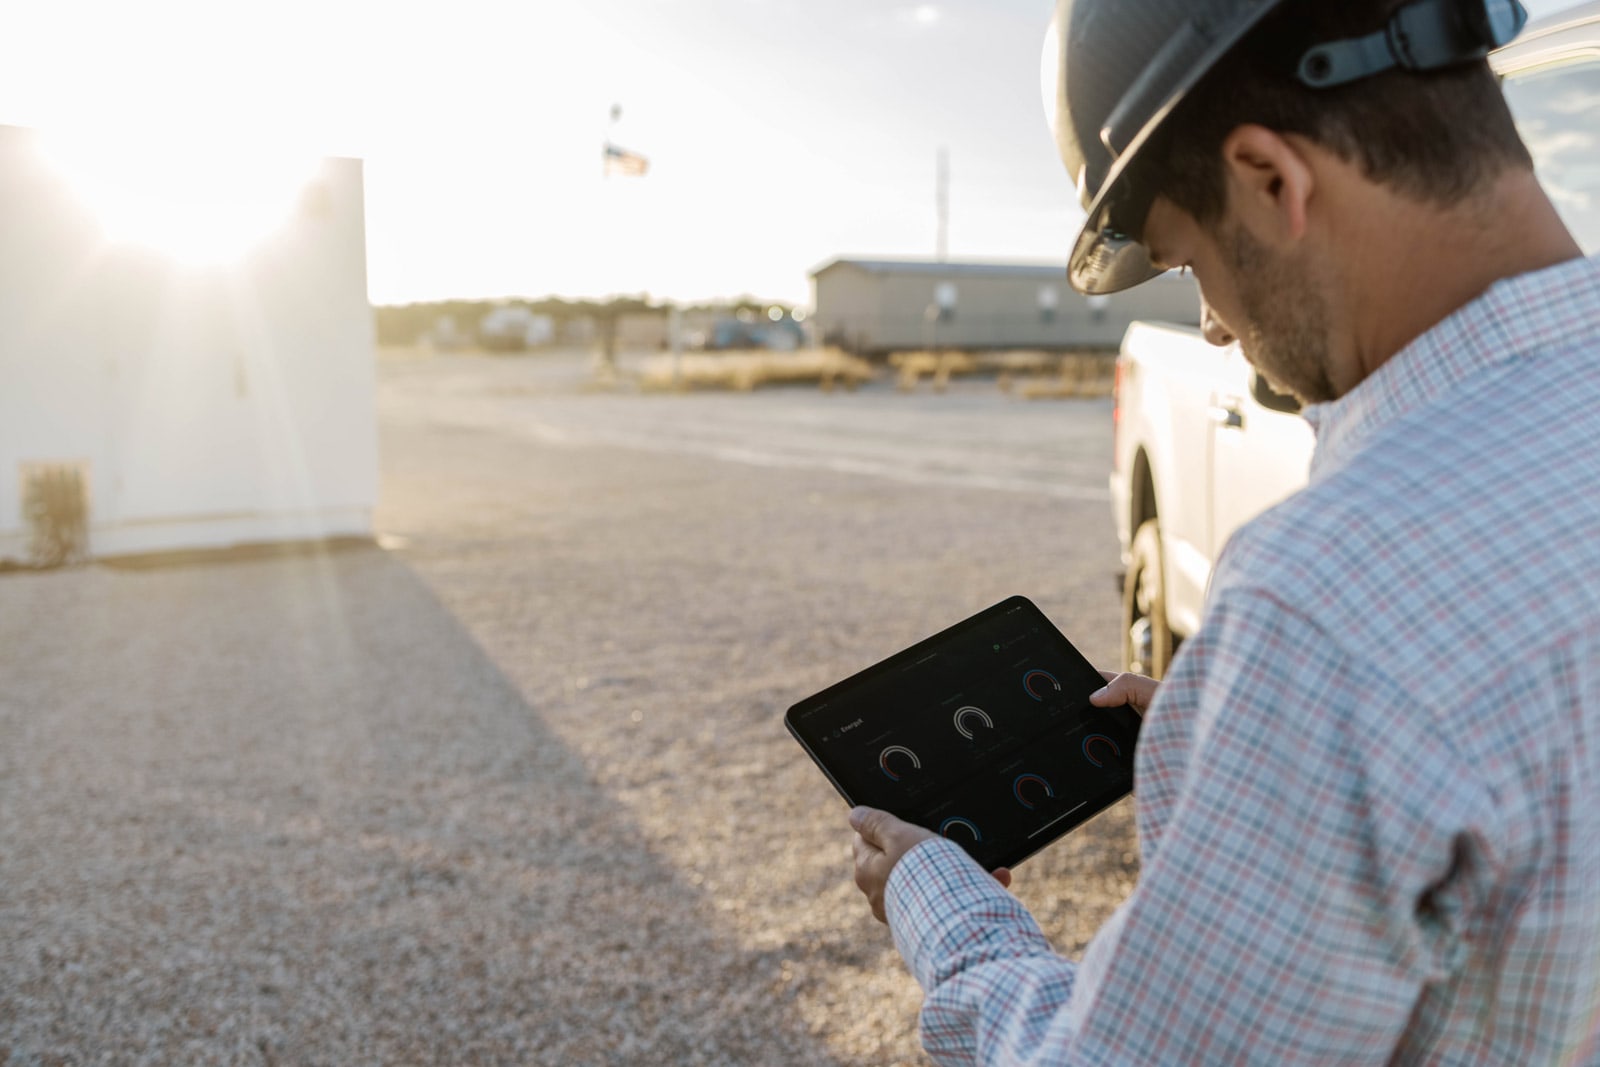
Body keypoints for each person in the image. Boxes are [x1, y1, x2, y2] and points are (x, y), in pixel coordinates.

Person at [847, 0, 1600, 1061]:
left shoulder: (1327, 603)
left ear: (1267, 179)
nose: (1209, 322)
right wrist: (1253, 739)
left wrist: (944, 908)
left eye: (1188, 260)